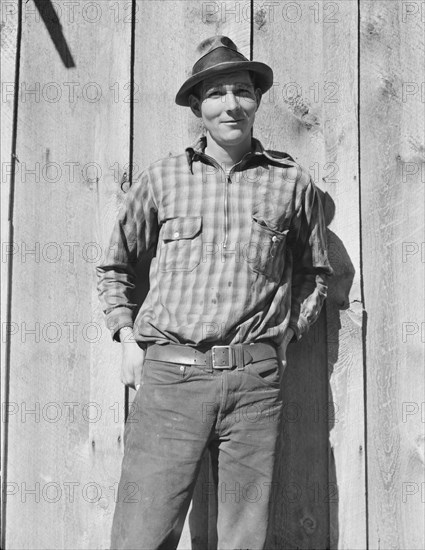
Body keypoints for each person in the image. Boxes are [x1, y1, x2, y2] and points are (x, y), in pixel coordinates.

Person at [96, 35, 333, 550]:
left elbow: (315, 271)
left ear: (256, 101)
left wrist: (291, 331)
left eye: (242, 91)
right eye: (217, 93)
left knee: (244, 539)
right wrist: (126, 336)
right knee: (141, 534)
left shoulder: (291, 183)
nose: (232, 104)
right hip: (171, 378)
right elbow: (115, 263)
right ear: (197, 108)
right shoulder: (163, 178)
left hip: (253, 382)